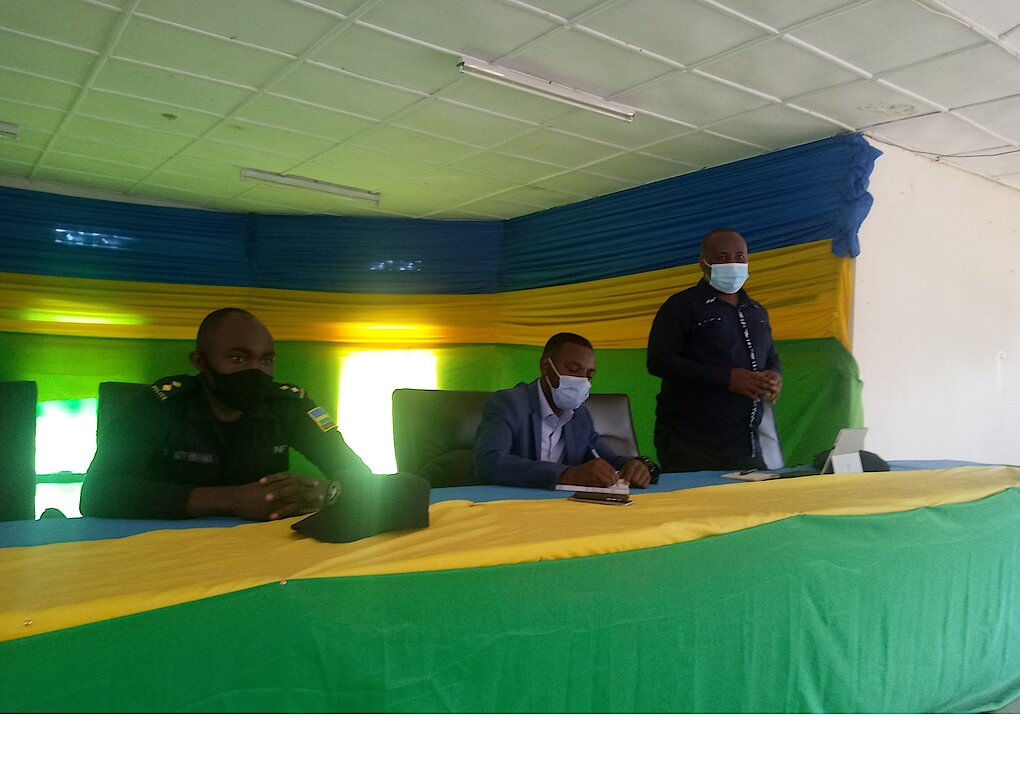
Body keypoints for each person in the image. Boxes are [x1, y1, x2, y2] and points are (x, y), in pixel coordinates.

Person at [80, 307, 370, 520]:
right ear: (200, 362)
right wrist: (231, 500)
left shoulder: (288, 405)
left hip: (261, 551)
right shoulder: (160, 405)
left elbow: (359, 475)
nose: (255, 371)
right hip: (162, 545)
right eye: (237, 358)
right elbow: (98, 493)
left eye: (265, 360)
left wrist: (325, 491)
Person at [647, 228, 783, 472]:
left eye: (740, 257)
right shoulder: (681, 306)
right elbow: (659, 361)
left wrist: (774, 374)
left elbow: (771, 354)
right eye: (722, 257)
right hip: (691, 442)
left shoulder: (756, 311)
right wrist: (726, 378)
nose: (733, 263)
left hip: (746, 441)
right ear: (704, 263)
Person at [473, 332, 653, 490]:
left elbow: (610, 460)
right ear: (545, 367)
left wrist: (637, 465)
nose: (582, 381)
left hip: (562, 508)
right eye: (573, 370)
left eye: (589, 375)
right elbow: (489, 463)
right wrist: (566, 474)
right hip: (508, 505)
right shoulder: (509, 403)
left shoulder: (580, 416)